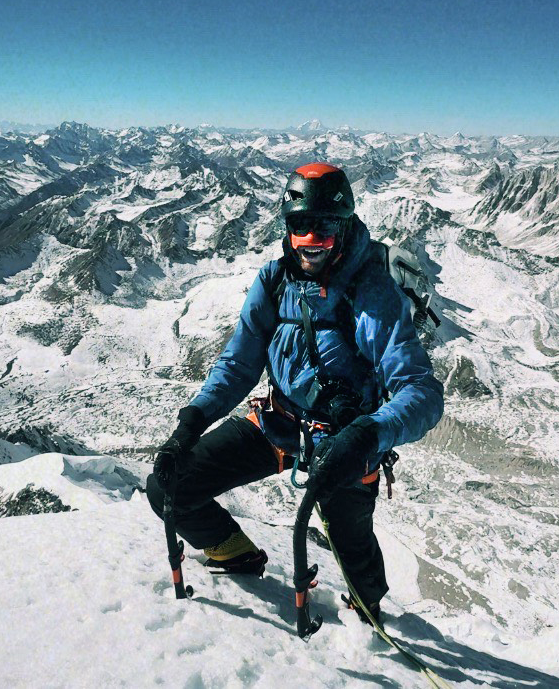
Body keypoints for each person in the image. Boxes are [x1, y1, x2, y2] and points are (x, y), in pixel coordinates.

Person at [146, 162, 444, 623]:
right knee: (169, 488)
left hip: (344, 443)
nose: (310, 239)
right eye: (300, 225)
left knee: (354, 553)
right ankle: (234, 554)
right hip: (277, 423)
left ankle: (367, 615)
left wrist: (367, 436)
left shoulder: (372, 293)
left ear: (344, 226)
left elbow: (421, 391)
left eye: (324, 227)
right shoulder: (274, 281)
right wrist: (193, 420)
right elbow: (239, 363)